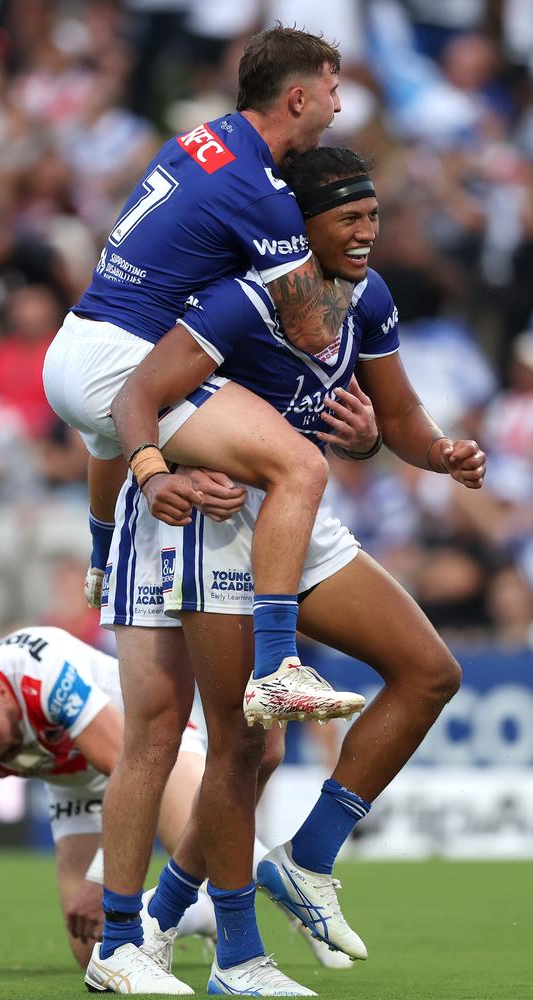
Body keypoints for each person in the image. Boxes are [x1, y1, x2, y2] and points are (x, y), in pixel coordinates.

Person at [104, 145, 487, 988]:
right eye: (349, 218)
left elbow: (400, 417)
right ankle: (235, 956)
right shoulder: (242, 300)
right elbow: (136, 393)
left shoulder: (369, 299)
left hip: (299, 517)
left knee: (429, 672)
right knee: (243, 745)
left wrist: (441, 453)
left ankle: (305, 860)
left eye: (374, 216)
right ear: (299, 226)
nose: (367, 233)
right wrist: (156, 470)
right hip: (220, 523)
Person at [44, 24, 369, 997]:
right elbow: (308, 320)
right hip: (121, 364)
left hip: (86, 351)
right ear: (299, 97)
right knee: (293, 466)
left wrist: (142, 463)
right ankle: (277, 664)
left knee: (157, 724)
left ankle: (125, 940)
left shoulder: (200, 141)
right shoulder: (261, 191)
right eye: (333, 90)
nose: (340, 108)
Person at [0, 625, 211, 978]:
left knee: (202, 848)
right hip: (73, 784)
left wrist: (103, 877)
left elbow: (137, 780)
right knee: (93, 950)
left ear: (0, 693)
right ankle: (197, 914)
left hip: (147, 749)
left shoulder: (43, 676)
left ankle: (245, 896)